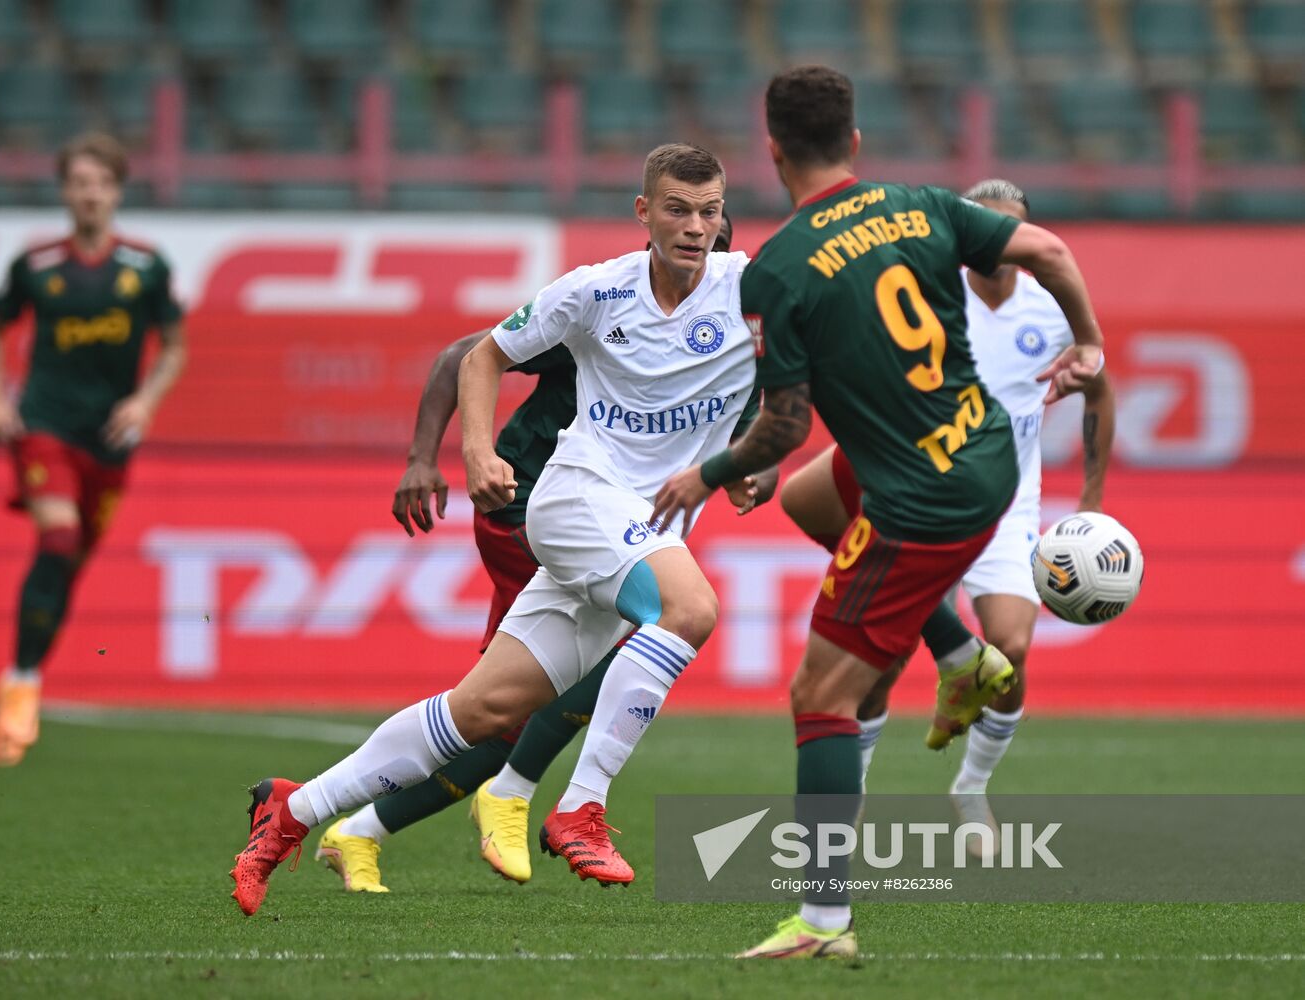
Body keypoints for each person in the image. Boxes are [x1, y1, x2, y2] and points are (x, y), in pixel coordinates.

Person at [231, 144, 769, 916]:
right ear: (643, 212)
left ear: (723, 218)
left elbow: (797, 383)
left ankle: (292, 810)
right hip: (574, 496)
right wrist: (474, 451)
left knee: (480, 712)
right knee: (688, 610)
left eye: (708, 211)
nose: (693, 226)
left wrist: (759, 466)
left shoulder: (748, 292)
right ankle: (577, 806)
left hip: (632, 524)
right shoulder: (594, 291)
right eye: (676, 209)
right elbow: (479, 354)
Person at [651, 68, 1106, 961]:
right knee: (807, 495)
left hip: (921, 504)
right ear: (854, 143)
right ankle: (962, 653)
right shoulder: (923, 204)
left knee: (820, 693)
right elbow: (1049, 254)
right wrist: (1087, 340)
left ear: (771, 150)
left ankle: (822, 924)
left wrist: (707, 475)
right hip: (982, 462)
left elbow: (783, 420)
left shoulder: (776, 270)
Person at [317, 222, 750, 893]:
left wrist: (748, 475)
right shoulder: (608, 313)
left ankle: (356, 828)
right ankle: (518, 793)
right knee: (619, 653)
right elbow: (465, 356)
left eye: (717, 244)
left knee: (497, 708)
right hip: (534, 506)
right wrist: (423, 458)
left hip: (617, 524)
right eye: (687, 232)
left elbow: (756, 448)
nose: (703, 252)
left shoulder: (731, 341)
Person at [778, 179, 1117, 855]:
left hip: (1006, 491)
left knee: (1012, 651)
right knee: (877, 661)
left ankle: (971, 786)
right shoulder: (929, 294)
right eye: (982, 230)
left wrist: (1088, 503)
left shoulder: (1050, 310)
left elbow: (1098, 390)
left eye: (1007, 232)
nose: (994, 247)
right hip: (917, 487)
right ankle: (856, 789)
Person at [0, 132, 187, 768]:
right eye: (78, 183)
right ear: (65, 191)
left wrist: (145, 401)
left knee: (70, 563)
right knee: (58, 539)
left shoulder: (146, 267)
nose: (89, 194)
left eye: (100, 183)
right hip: (44, 425)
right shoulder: (36, 266)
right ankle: (22, 683)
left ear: (116, 192)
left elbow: (175, 345)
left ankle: (23, 674)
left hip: (110, 439)